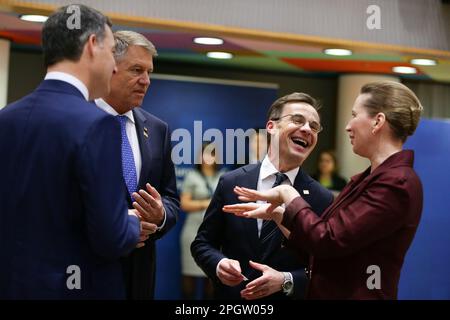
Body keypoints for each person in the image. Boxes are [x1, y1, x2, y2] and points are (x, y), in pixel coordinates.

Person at [0, 5, 148, 299]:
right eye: (110, 52)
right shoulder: (97, 125)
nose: (114, 66)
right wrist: (132, 221)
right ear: (93, 46)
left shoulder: (6, 118)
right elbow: (111, 238)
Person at [225, 81, 424, 299]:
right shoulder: (369, 179)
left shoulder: (397, 182)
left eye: (354, 115)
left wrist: (289, 194)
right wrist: (279, 215)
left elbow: (328, 240)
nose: (348, 126)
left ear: (378, 121)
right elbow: (322, 245)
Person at [191, 93, 334, 300]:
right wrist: (219, 264)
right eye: (297, 120)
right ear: (271, 127)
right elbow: (202, 244)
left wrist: (286, 279)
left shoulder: (322, 198)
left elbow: (325, 268)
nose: (306, 129)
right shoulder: (231, 182)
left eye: (314, 126)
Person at [95, 30, 179, 300]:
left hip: (140, 273)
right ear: (111, 67)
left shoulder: (158, 129)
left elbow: (171, 197)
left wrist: (160, 215)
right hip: (88, 268)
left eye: (149, 72)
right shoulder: (76, 121)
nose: (146, 81)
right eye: (136, 70)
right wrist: (119, 224)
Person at [180, 143, 222, 299]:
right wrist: (207, 203)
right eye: (205, 153)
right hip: (192, 232)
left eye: (212, 153)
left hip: (214, 235)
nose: (208, 157)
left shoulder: (222, 177)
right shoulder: (192, 176)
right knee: (188, 275)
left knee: (211, 277)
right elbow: (184, 204)